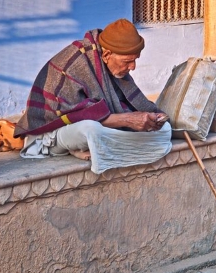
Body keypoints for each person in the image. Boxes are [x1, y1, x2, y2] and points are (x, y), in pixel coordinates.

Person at [14, 18, 172, 174]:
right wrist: (129, 120)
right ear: (107, 55)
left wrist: (150, 118)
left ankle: (91, 146)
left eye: (135, 60)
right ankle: (80, 146)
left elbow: (128, 103)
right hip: (52, 133)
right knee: (91, 129)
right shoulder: (75, 63)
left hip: (94, 128)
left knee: (164, 129)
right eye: (128, 61)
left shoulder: (111, 65)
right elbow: (75, 116)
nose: (133, 67)